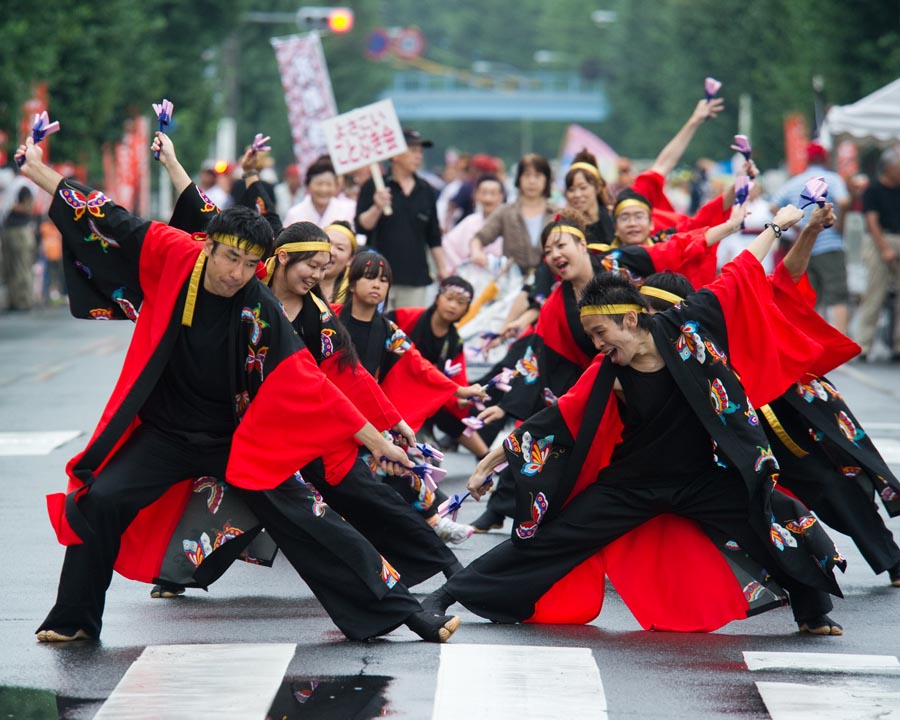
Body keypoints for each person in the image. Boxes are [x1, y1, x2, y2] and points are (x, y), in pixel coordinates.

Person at [16, 135, 460, 645]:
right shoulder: (172, 252)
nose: (237, 273)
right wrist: (36, 170)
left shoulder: (259, 303)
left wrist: (377, 441)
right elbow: (104, 212)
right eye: (230, 259)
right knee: (99, 502)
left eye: (251, 265)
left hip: (238, 438)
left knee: (312, 517)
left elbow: (309, 380)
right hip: (167, 433)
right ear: (208, 245)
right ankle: (74, 619)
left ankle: (406, 611)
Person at [426, 204, 847, 636]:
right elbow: (556, 416)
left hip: (699, 478)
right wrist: (489, 461)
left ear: (630, 319)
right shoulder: (609, 370)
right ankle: (445, 596)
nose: (596, 344)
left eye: (601, 333)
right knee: (549, 540)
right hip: (631, 484)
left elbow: (739, 272)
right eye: (590, 336)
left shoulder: (687, 326)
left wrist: (777, 224)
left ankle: (812, 610)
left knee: (768, 515)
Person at [336, 252, 487, 543]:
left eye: (383, 280)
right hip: (327, 412)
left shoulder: (388, 329)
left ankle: (433, 522)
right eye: (369, 277)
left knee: (404, 463)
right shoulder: (328, 318)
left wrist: (459, 389)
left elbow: (419, 364)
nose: (377, 284)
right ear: (352, 283)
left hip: (365, 416)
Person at [389, 276, 490, 461]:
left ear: (466, 310)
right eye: (449, 298)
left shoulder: (455, 342)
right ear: (437, 298)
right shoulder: (408, 317)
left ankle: (487, 458)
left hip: (425, 399)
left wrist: (463, 400)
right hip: (393, 392)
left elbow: (457, 383)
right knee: (418, 457)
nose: (453, 306)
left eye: (460, 303)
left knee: (432, 456)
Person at [355, 129, 448, 309]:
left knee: (408, 332)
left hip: (415, 277)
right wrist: (377, 207)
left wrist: (443, 269)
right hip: (377, 275)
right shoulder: (374, 185)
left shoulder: (426, 190)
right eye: (413, 151)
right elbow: (362, 227)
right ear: (395, 155)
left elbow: (433, 235)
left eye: (420, 152)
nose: (418, 156)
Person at [773, 141, 851, 333]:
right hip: (829, 244)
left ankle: (807, 340)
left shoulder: (794, 182)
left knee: (808, 296)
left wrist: (795, 226)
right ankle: (839, 339)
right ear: (824, 159)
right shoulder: (832, 179)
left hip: (802, 246)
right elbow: (843, 201)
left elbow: (773, 206)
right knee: (837, 294)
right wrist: (840, 225)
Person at [469, 153, 557, 276]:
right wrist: (476, 252)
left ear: (546, 180)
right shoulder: (505, 212)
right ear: (519, 179)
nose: (532, 181)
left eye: (537, 175)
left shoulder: (557, 214)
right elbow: (479, 238)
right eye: (527, 175)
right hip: (513, 282)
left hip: (549, 280)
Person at [857, 147, 900, 361]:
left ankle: (898, 345)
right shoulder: (873, 190)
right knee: (875, 292)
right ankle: (864, 344)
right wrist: (884, 248)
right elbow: (871, 221)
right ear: (889, 167)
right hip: (880, 238)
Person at [441, 174, 505, 273]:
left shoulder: (508, 222)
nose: (488, 198)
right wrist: (460, 268)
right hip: (470, 278)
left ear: (501, 196)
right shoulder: (469, 222)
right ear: (476, 195)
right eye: (484, 193)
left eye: (493, 193)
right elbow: (448, 245)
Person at [284, 156, 356, 229]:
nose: (323, 189)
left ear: (336, 186)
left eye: (329, 184)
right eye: (319, 184)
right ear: (308, 185)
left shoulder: (349, 209)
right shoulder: (294, 214)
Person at [563, 150, 614, 246]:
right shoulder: (563, 227)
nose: (577, 194)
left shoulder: (614, 220)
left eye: (583, 188)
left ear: (598, 187)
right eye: (571, 189)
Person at [1, 182, 36, 310]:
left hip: (20, 231)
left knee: (22, 267)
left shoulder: (21, 186)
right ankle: (13, 301)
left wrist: (13, 207)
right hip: (8, 231)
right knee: (9, 268)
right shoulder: (8, 188)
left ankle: (24, 301)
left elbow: (29, 206)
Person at [319, 220, 357, 305]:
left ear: (350, 260)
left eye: (340, 248)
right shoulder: (297, 285)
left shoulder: (353, 298)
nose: (331, 251)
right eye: (327, 244)